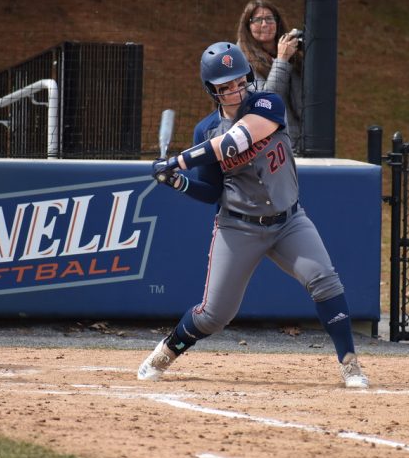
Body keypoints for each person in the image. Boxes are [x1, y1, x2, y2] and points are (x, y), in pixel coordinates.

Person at [138, 42, 368, 388]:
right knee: (215, 316)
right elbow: (212, 192)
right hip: (238, 227)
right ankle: (167, 350)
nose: (234, 91)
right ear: (211, 90)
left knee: (324, 279)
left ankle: (350, 363)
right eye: (224, 86)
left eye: (239, 81)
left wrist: (177, 161)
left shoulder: (267, 104)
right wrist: (177, 182)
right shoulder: (205, 131)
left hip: (289, 221)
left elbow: (234, 143)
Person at [236, 0, 304, 154]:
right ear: (248, 26)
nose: (265, 24)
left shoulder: (292, 54)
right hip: (266, 147)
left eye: (269, 19)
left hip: (298, 142)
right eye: (257, 20)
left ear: (277, 22)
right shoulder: (240, 60)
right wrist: (281, 60)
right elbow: (266, 100)